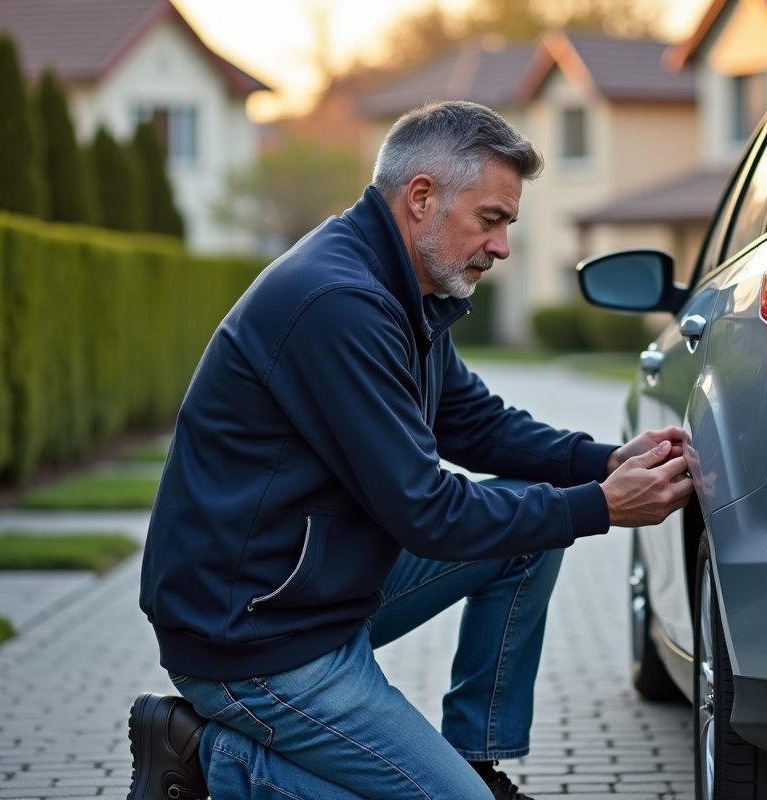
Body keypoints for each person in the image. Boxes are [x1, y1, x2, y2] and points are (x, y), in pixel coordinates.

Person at [129, 100, 693, 800]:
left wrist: (600, 464)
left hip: (315, 592)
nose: (502, 247)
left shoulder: (405, 288)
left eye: (508, 225)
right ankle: (212, 756)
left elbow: (473, 422)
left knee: (529, 533)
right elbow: (426, 512)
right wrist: (600, 507)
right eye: (490, 221)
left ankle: (479, 763)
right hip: (251, 638)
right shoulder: (339, 302)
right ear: (421, 197)